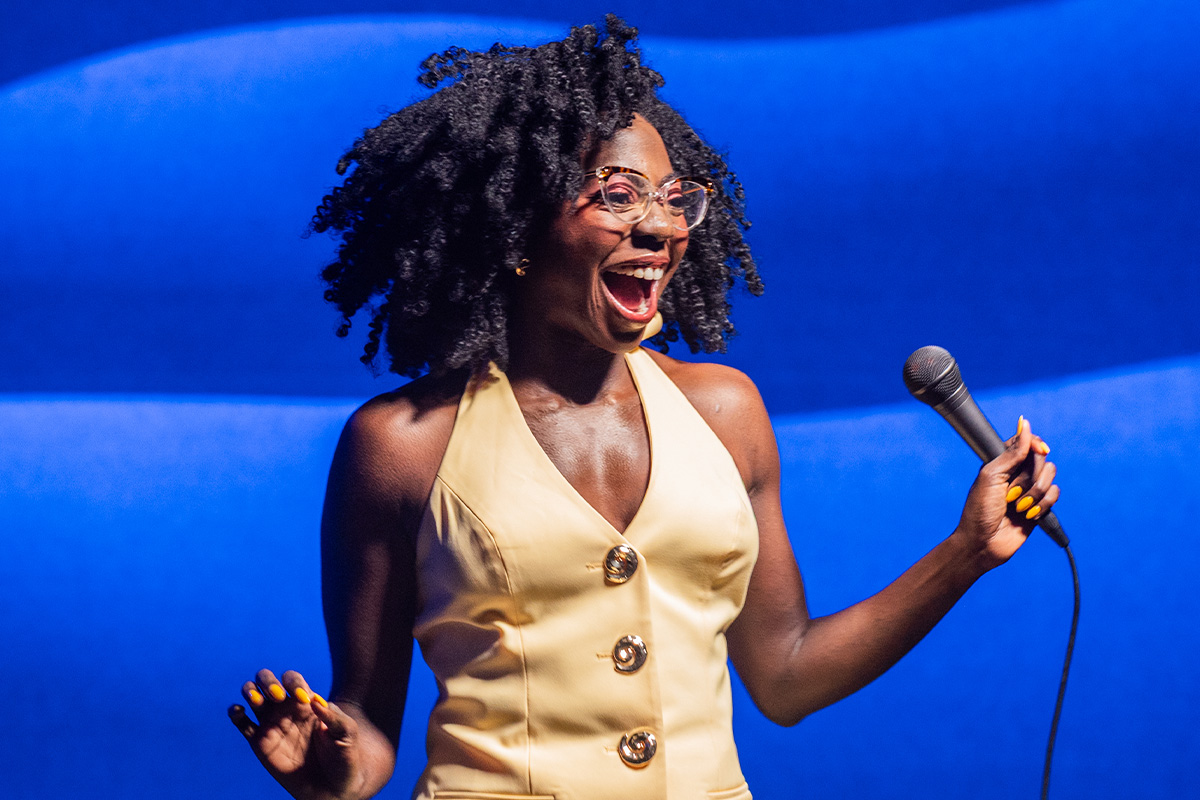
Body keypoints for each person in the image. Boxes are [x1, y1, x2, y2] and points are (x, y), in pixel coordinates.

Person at [227, 16, 1059, 800]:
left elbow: (787, 673)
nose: (660, 225)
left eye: (672, 197)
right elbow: (367, 726)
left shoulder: (726, 413)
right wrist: (335, 774)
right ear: (516, 234)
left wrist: (966, 553)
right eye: (618, 194)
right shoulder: (401, 447)